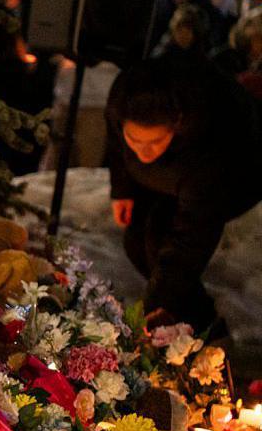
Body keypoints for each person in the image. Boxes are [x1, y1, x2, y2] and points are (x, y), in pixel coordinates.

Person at [106, 56, 262, 333]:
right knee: (135, 241)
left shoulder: (210, 147)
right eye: (135, 140)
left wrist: (151, 310)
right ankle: (195, 318)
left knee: (161, 240)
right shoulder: (124, 99)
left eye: (154, 141)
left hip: (240, 174)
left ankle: (197, 326)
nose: (144, 152)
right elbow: (117, 143)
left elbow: (190, 240)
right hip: (172, 176)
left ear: (176, 125)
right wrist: (122, 189)